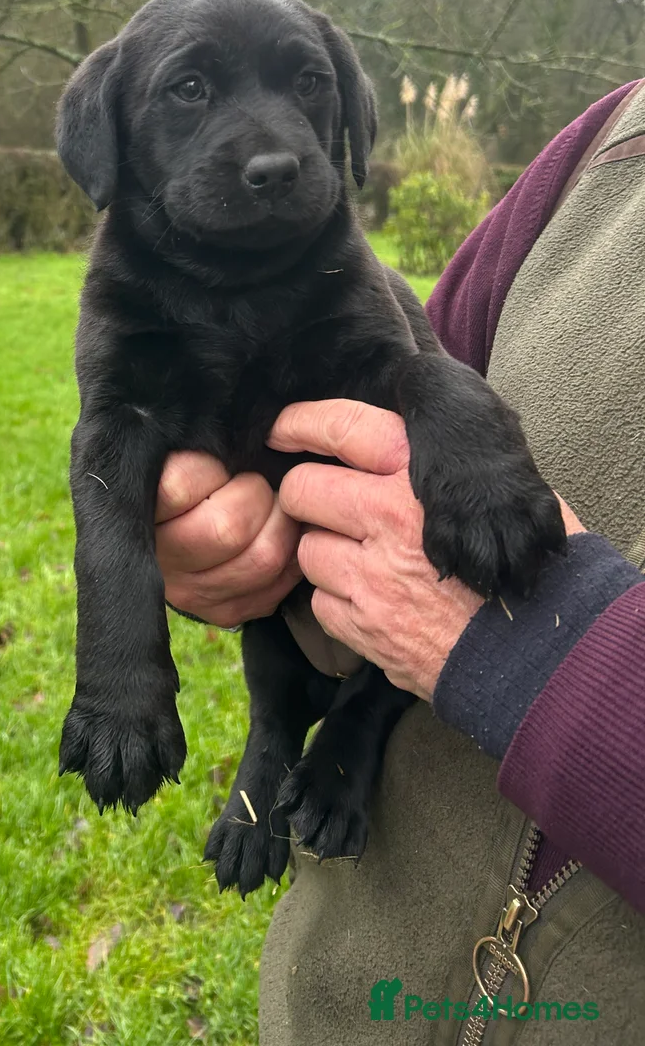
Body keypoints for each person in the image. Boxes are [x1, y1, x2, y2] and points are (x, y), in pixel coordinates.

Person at [156, 78, 645, 1043]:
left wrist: (537, 654)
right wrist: (239, 539)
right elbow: (397, 393)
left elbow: (445, 599)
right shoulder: (606, 149)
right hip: (345, 999)